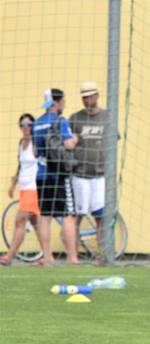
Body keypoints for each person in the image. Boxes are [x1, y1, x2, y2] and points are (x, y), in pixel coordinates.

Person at [32, 88, 80, 264]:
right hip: (59, 174)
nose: (64, 105)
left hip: (41, 175)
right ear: (57, 103)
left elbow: (35, 151)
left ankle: (47, 256)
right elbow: (68, 144)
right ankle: (72, 257)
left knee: (45, 216)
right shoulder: (61, 121)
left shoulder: (37, 123)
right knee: (67, 215)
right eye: (63, 101)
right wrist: (75, 139)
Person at [0, 114, 50, 266]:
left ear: (34, 125)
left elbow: (45, 162)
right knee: (36, 223)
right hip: (24, 187)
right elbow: (20, 164)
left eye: (29, 124)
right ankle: (47, 257)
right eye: (22, 124)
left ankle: (9, 256)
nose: (26, 127)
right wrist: (13, 183)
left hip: (33, 187)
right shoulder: (22, 142)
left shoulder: (37, 143)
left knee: (20, 220)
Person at [69, 81, 109, 265]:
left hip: (100, 175)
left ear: (97, 96)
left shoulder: (107, 117)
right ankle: (74, 256)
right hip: (80, 175)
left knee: (100, 216)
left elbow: (113, 142)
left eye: (89, 96)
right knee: (77, 215)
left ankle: (102, 255)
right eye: (84, 97)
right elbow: (68, 143)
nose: (87, 100)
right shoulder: (75, 118)